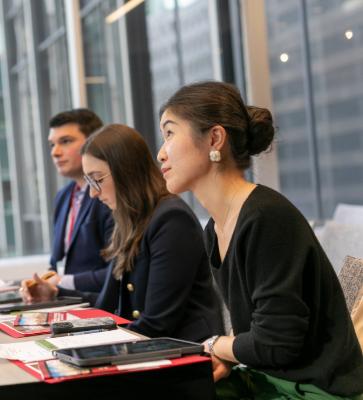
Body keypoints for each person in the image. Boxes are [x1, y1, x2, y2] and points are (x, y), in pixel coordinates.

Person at [157, 81, 363, 399]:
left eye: (170, 133)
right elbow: (254, 324)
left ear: (214, 138)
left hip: (313, 389)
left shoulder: (265, 216)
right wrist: (227, 353)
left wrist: (215, 345)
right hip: (267, 379)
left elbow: (276, 345)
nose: (161, 152)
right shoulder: (215, 229)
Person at [22, 124, 223, 341]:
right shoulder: (131, 218)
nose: (92, 193)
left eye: (97, 179)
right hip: (150, 347)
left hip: (184, 354)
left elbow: (156, 325)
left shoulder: (171, 219)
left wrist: (80, 341)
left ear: (126, 171)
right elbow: (113, 303)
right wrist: (56, 294)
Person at [47, 109, 114, 293]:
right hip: (67, 300)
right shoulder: (63, 196)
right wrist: (44, 284)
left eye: (65, 141)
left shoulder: (110, 194)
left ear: (93, 142)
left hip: (100, 303)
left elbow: (117, 270)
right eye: (52, 145)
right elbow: (57, 262)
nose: (55, 152)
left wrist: (62, 282)